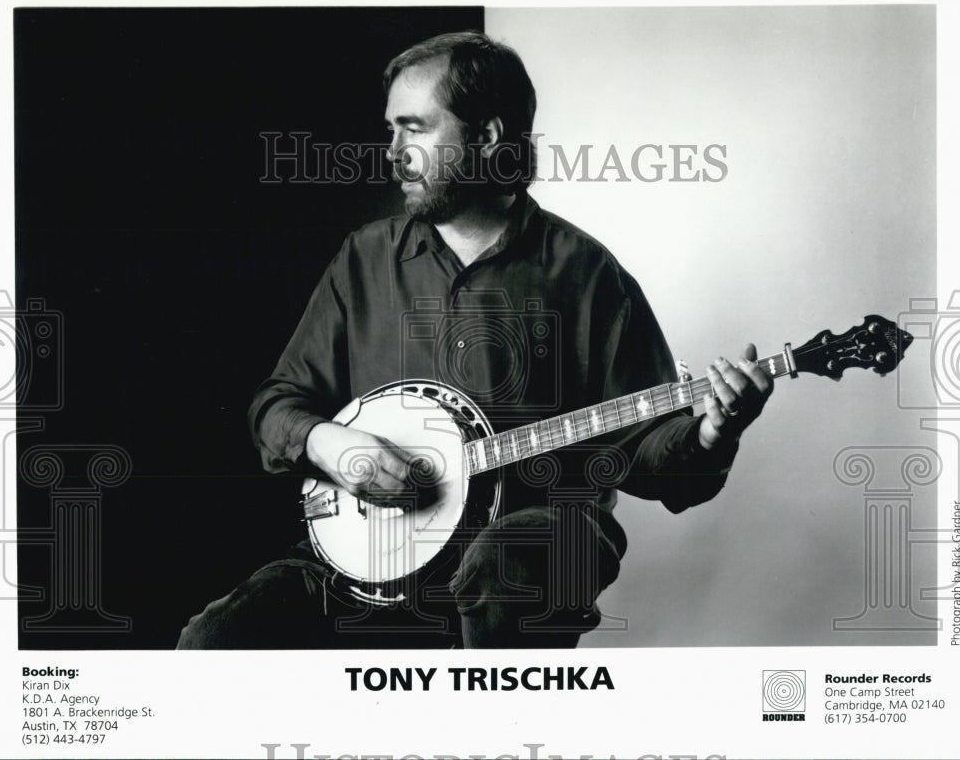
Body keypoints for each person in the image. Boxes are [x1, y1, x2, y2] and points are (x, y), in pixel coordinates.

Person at [177, 31, 772, 650]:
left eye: (415, 129)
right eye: (392, 131)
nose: (394, 153)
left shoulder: (588, 275)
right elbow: (277, 405)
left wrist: (713, 431)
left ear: (486, 137)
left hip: (530, 547)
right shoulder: (365, 259)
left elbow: (654, 456)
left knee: (498, 568)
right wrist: (329, 443)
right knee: (214, 641)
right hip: (368, 556)